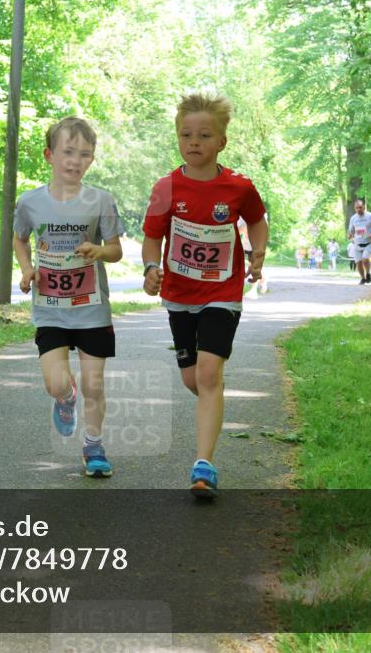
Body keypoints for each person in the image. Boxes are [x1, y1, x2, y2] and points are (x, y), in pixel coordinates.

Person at [142, 93, 268, 498]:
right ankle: (212, 400)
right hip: (180, 294)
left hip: (223, 292)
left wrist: (258, 254)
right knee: (193, 378)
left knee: (209, 374)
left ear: (221, 142)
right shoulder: (166, 188)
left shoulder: (238, 186)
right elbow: (152, 237)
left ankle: (204, 465)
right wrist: (150, 268)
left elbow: (257, 220)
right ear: (178, 139)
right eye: (186, 134)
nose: (193, 142)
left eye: (204, 135)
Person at [13, 117, 124, 478]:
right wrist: (27, 269)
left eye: (84, 154)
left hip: (91, 308)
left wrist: (98, 250)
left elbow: (116, 250)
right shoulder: (30, 202)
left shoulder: (101, 201)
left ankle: (93, 445)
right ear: (50, 155)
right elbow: (20, 238)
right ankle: (65, 399)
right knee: (57, 383)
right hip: (50, 310)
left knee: (94, 382)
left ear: (92, 160)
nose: (75, 161)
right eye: (68, 152)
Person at [347, 199, 371, 284]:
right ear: (355, 208)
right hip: (357, 243)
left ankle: (368, 273)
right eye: (357, 208)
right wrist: (350, 238)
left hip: (368, 242)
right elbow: (350, 231)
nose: (359, 209)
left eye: (360, 207)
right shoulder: (353, 218)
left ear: (364, 207)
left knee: (365, 259)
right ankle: (363, 278)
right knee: (358, 262)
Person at [240, 216, 268, 298]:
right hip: (248, 244)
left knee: (254, 266)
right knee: (252, 265)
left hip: (255, 244)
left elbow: (243, 228)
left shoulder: (252, 209)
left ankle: (254, 290)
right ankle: (263, 281)